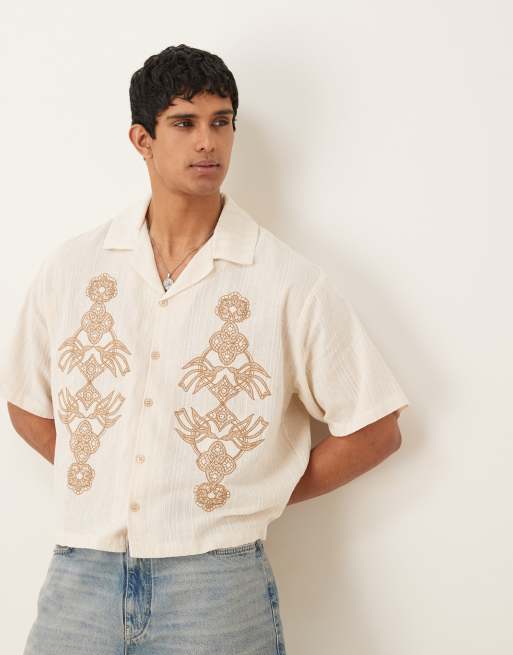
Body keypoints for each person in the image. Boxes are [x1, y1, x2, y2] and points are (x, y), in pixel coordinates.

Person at [0, 44, 409, 654]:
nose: (207, 143)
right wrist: (104, 477)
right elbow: (26, 401)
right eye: (185, 123)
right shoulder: (75, 268)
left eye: (221, 122)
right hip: (80, 575)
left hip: (215, 587)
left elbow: (376, 428)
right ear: (142, 139)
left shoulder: (285, 282)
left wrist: (258, 493)